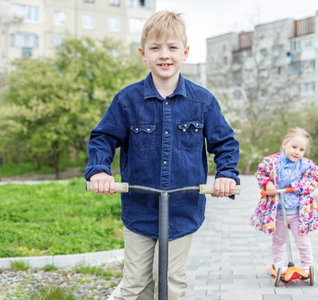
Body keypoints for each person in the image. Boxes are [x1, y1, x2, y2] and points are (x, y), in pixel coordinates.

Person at [85, 11, 240, 300]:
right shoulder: (127, 100)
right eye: (155, 48)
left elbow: (226, 143)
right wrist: (99, 170)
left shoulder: (203, 101)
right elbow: (103, 137)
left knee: (169, 279)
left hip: (182, 209)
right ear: (144, 54)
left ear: (185, 52)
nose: (164, 55)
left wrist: (226, 176)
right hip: (140, 208)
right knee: (135, 284)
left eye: (172, 47)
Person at [250, 127, 318, 274]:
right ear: (285, 144)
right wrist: (268, 183)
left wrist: (297, 186)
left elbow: (314, 180)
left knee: (302, 240)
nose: (297, 152)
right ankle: (278, 263)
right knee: (279, 239)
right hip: (278, 211)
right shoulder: (272, 162)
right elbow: (261, 173)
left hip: (298, 212)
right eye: (294, 147)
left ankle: (307, 265)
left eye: (301, 149)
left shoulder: (306, 165)